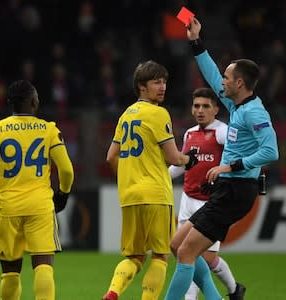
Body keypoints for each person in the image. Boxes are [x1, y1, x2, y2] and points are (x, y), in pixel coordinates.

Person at [165, 17, 279, 300]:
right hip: (225, 188)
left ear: (239, 83)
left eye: (228, 77)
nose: (223, 81)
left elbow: (271, 151)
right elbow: (212, 76)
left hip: (237, 190)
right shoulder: (234, 104)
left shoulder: (255, 113)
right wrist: (195, 41)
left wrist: (230, 165)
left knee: (188, 252)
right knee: (177, 245)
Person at [0, 79, 74, 300]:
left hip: (8, 208)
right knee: (43, 267)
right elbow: (66, 170)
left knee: (10, 273)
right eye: (36, 96)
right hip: (40, 207)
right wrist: (63, 193)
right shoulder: (49, 130)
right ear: (32, 101)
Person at [102, 60, 198, 300]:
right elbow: (174, 157)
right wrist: (190, 159)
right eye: (157, 82)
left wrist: (129, 176)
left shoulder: (125, 115)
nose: (163, 86)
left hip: (130, 195)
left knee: (134, 257)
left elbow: (110, 157)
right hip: (156, 194)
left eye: (164, 81)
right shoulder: (158, 113)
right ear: (141, 86)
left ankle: (113, 292)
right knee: (160, 255)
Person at [169, 87, 243, 299]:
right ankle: (234, 291)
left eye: (205, 106)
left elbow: (235, 157)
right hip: (188, 200)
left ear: (215, 109)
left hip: (210, 203)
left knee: (205, 259)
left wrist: (224, 179)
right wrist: (161, 177)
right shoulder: (190, 133)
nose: (200, 110)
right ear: (192, 109)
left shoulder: (222, 132)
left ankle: (232, 289)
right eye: (196, 106)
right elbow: (182, 165)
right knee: (186, 254)